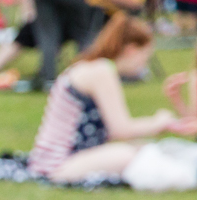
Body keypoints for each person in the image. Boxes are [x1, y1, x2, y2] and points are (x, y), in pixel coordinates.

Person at [27, 14, 194, 183]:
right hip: (59, 165)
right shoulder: (101, 71)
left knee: (143, 149)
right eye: (145, 56)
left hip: (62, 159)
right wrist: (159, 122)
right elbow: (121, 130)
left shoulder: (95, 67)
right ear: (131, 50)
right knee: (129, 154)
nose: (144, 65)